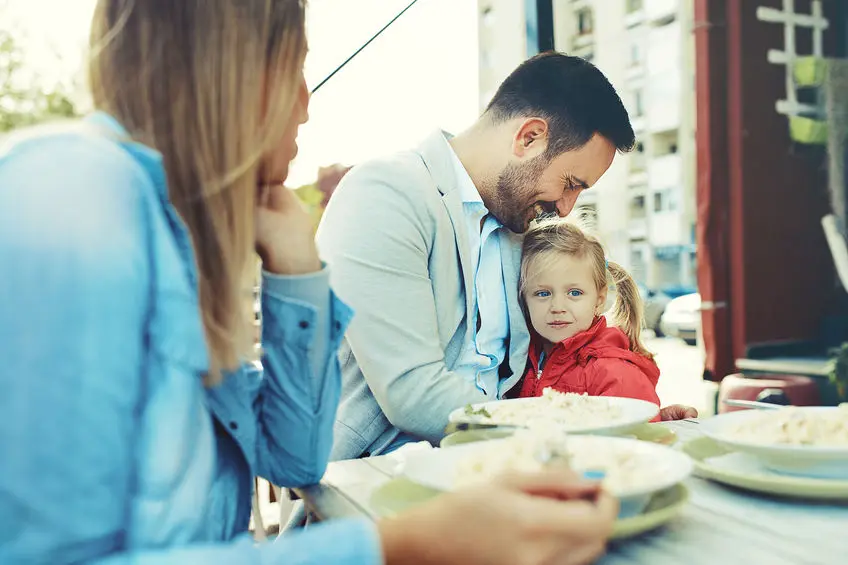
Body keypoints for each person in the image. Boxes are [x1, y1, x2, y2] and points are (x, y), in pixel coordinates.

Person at [0, 2, 619, 564]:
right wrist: (404, 543)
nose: (306, 103)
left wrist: (297, 274)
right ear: (230, 71)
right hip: (392, 504)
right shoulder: (70, 196)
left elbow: (292, 456)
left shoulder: (169, 233)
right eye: (293, 69)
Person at [317, 52, 695, 463]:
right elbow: (413, 390)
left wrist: (632, 418)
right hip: (380, 474)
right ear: (529, 137)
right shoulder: (386, 194)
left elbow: (552, 360)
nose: (567, 208)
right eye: (570, 183)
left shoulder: (516, 227)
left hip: (501, 466)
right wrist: (571, 429)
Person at [517, 219, 661, 412]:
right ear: (525, 299)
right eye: (543, 293)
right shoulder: (519, 361)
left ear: (599, 300)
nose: (557, 307)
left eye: (574, 293)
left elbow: (638, 434)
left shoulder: (614, 373)